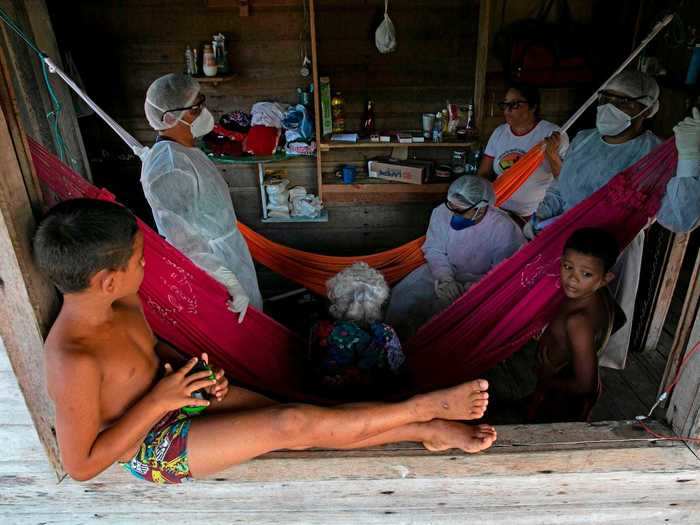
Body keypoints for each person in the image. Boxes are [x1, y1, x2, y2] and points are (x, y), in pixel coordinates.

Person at [33, 199, 496, 484]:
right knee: (291, 424)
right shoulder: (71, 359)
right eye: (137, 260)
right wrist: (159, 400)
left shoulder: (124, 302)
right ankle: (422, 411)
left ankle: (426, 431)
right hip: (151, 448)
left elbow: (152, 354)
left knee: (306, 414)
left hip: (176, 398)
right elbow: (83, 464)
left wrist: (191, 375)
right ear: (106, 280)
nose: (145, 267)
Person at [532, 70, 700, 369]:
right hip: (565, 241)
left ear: (646, 108)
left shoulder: (654, 155)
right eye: (606, 98)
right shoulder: (584, 140)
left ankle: (583, 379)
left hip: (613, 254)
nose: (609, 106)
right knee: (554, 326)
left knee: (592, 333)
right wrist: (545, 211)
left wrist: (688, 160)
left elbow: (680, 219)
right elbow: (563, 187)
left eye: (623, 102)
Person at [140, 73, 261, 323]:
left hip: (230, 250)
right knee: (242, 323)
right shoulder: (169, 168)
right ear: (169, 118)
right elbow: (185, 243)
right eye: (195, 109)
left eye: (201, 103)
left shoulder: (185, 152)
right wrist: (229, 281)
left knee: (254, 315)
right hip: (215, 265)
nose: (203, 112)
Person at [385, 176, 526, 339]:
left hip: (481, 282)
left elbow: (502, 273)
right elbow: (434, 249)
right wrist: (445, 278)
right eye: (450, 206)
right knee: (402, 299)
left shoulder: (503, 228)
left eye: (460, 210)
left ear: (481, 207)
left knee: (447, 322)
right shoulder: (441, 212)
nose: (453, 214)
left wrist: (468, 290)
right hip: (442, 270)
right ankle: (390, 341)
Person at [526, 228, 625, 423]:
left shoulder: (578, 322)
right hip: (560, 382)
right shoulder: (600, 295)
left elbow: (584, 385)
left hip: (561, 397)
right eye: (567, 266)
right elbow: (620, 319)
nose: (572, 278)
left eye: (586, 274)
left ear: (606, 278)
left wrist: (548, 378)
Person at [308, 262, 405, 398]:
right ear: (379, 301)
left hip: (330, 398)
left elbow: (312, 365)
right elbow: (397, 370)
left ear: (337, 300)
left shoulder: (322, 330)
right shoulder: (387, 333)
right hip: (379, 398)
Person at [477, 83, 566, 220]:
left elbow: (564, 180)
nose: (507, 110)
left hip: (533, 215)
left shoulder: (553, 135)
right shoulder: (500, 133)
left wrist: (552, 154)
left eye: (515, 105)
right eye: (505, 105)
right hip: (498, 208)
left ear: (533, 107)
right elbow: (483, 173)